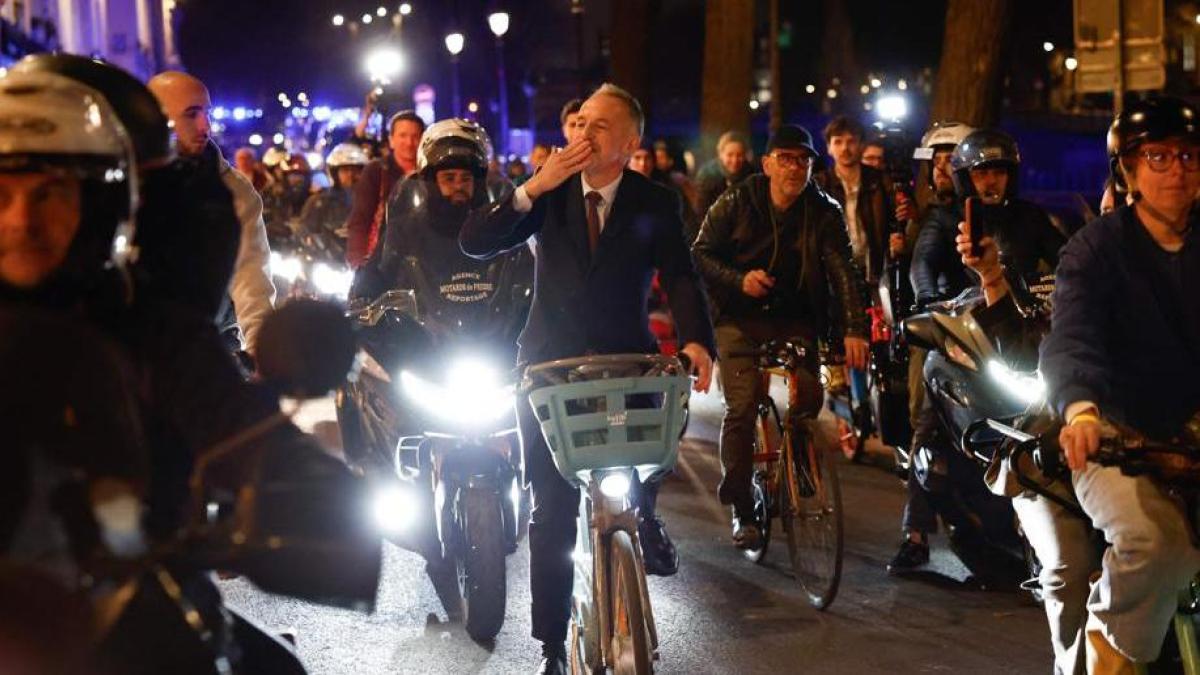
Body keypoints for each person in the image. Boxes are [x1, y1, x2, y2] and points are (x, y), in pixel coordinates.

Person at [0, 67, 325, 673]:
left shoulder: (153, 327)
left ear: (98, 203)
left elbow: (231, 421)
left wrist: (300, 493)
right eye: (2, 196)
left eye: (49, 194)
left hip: (131, 601)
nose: (21, 220)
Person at [460, 83, 715, 675]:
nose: (582, 134)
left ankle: (645, 515)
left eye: (599, 127)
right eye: (579, 123)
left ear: (629, 144)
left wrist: (698, 340)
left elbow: (680, 274)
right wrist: (532, 188)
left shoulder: (655, 201)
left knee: (653, 453)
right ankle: (552, 644)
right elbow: (476, 242)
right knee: (550, 511)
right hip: (550, 369)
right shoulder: (548, 193)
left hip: (627, 365)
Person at [1029, 97, 1200, 673]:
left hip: (1193, 435)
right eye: (1158, 157)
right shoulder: (1095, 249)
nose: (1177, 170)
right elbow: (1072, 338)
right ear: (1127, 170)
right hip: (1117, 437)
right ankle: (1106, 653)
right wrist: (1081, 412)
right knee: (1156, 544)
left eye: (1189, 156)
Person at [692, 124, 870, 548]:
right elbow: (700, 253)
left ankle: (798, 460)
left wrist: (854, 329)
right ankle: (741, 506)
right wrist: (739, 280)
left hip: (796, 318)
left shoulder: (823, 210)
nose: (795, 168)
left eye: (803, 160)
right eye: (786, 159)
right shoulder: (738, 200)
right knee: (741, 407)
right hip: (737, 317)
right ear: (767, 164)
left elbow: (843, 270)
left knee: (808, 396)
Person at [889, 120, 974, 574]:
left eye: (952, 160)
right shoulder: (932, 216)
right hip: (943, 330)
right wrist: (928, 300)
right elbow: (922, 262)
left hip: (998, 332)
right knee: (927, 417)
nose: (943, 169)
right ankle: (916, 534)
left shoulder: (1001, 211)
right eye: (937, 161)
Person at [147, 70, 276, 357]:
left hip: (210, 344)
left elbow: (251, 278)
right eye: (191, 114)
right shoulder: (125, 181)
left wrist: (260, 352)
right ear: (155, 117)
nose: (205, 125)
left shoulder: (234, 189)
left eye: (207, 113)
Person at [346, 110, 426, 268]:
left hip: (423, 259)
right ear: (391, 140)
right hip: (381, 260)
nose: (409, 142)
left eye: (415, 136)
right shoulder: (376, 171)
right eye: (403, 135)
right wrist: (357, 262)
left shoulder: (430, 173)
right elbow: (360, 220)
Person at [299, 143, 368, 258]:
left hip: (364, 260)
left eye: (355, 170)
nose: (351, 175)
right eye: (345, 170)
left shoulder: (372, 201)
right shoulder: (319, 202)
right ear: (335, 173)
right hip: (327, 259)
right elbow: (306, 230)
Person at [695, 130, 754, 220]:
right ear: (720, 154)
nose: (735, 160)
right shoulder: (707, 176)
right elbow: (702, 212)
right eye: (730, 155)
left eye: (739, 155)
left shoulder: (752, 175)